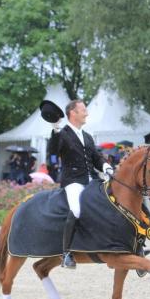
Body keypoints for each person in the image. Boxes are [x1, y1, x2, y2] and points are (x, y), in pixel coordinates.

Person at [47, 99, 113, 268]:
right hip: (73, 181)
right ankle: (66, 253)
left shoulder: (87, 136)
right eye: (83, 110)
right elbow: (53, 151)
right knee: (76, 209)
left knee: (114, 203)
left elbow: (96, 158)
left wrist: (106, 167)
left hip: (91, 179)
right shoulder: (62, 134)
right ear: (73, 113)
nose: (87, 113)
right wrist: (55, 129)